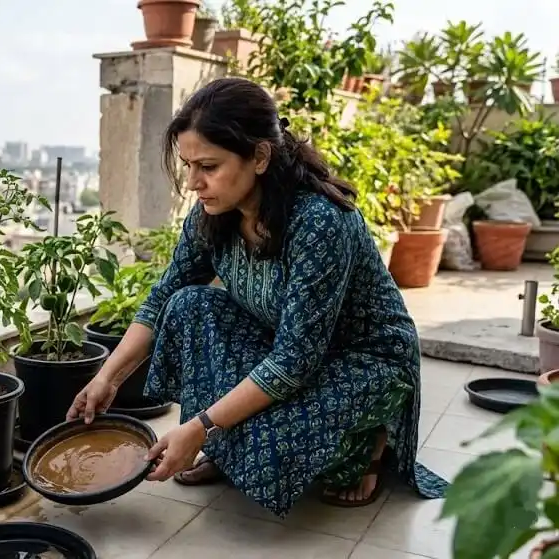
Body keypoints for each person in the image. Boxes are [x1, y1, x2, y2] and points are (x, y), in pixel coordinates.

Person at [66, 77, 447, 517]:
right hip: (286, 343)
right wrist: (107, 378)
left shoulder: (319, 222)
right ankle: (225, 450)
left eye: (208, 166)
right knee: (190, 305)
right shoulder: (212, 216)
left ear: (260, 156)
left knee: (272, 444)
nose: (194, 182)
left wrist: (202, 427)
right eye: (189, 165)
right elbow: (163, 296)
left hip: (365, 360)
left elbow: (294, 362)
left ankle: (368, 447)